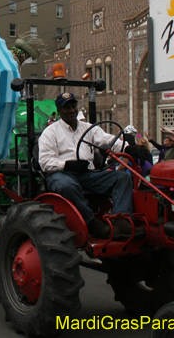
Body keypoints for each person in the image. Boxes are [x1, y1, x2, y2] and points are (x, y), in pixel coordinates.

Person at [38, 92, 135, 240]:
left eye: (74, 106)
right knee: (67, 185)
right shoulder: (50, 132)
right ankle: (92, 223)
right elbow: (45, 162)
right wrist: (67, 165)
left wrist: (128, 148)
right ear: (59, 111)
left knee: (122, 178)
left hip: (86, 174)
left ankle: (121, 221)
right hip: (61, 174)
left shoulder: (88, 128)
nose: (72, 110)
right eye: (67, 108)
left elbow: (108, 140)